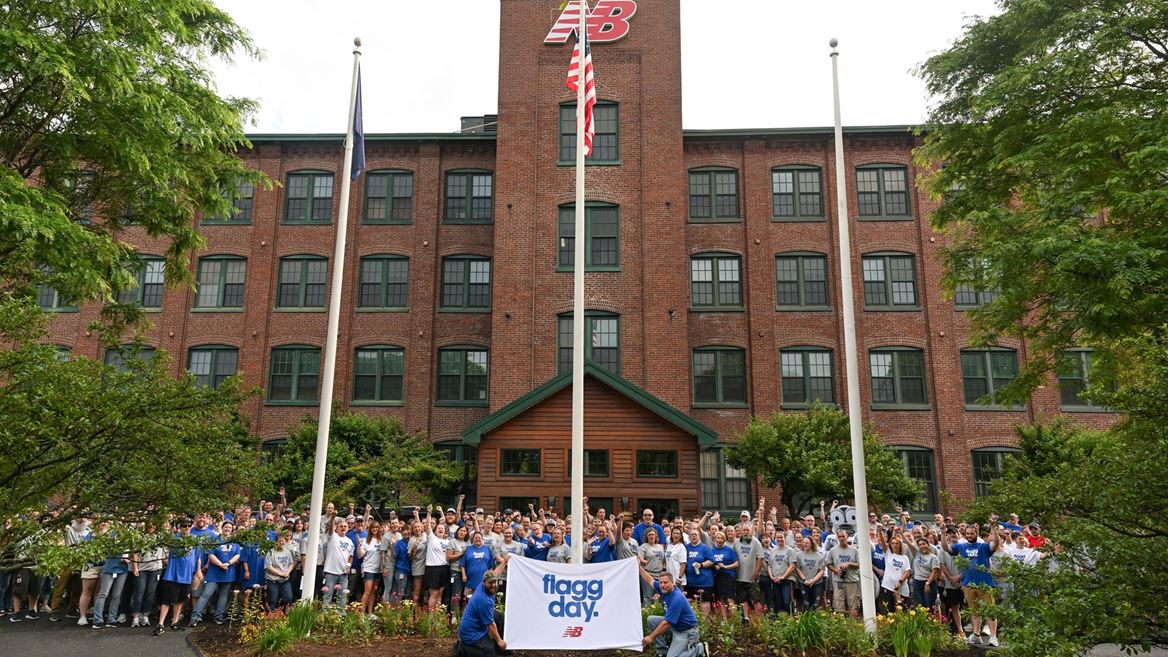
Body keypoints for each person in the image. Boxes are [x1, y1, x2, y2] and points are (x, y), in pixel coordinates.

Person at [943, 523, 1001, 646]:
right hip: (968, 584)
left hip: (985, 584)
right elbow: (946, 548)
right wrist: (943, 533)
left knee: (990, 611)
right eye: (967, 533)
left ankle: (993, 637)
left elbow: (995, 543)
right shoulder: (961, 546)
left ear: (977, 534)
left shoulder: (983, 547)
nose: (969, 535)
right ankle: (976, 635)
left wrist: (993, 528)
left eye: (972, 533)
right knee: (974, 611)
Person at [639, 568, 707, 657]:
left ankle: (700, 648)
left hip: (686, 631)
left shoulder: (677, 598)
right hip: (675, 626)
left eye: (665, 582)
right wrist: (638, 567)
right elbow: (649, 579)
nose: (662, 585)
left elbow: (666, 623)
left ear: (672, 583)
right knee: (651, 619)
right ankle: (663, 652)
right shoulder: (664, 589)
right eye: (660, 582)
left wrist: (651, 637)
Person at [190, 520, 245, 627]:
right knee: (206, 594)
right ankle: (195, 617)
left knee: (223, 595)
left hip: (228, 573)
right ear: (222, 528)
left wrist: (228, 563)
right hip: (214, 573)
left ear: (232, 529)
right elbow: (210, 554)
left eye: (230, 527)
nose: (228, 529)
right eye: (226, 527)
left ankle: (219, 616)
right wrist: (220, 564)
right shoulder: (215, 540)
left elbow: (237, 555)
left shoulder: (234, 542)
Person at [155, 518, 200, 636]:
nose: (186, 528)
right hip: (173, 575)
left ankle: (174, 622)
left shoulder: (194, 540)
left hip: (187, 575)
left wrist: (198, 571)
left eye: (189, 526)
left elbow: (197, 556)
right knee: (167, 600)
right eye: (184, 526)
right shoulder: (175, 539)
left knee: (180, 600)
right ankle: (160, 624)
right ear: (180, 527)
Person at [457, 571, 506, 657]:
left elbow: (496, 572)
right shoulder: (483, 600)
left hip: (477, 618)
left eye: (495, 581)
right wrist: (499, 640)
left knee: (500, 617)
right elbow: (490, 624)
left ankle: (501, 650)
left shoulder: (484, 586)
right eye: (490, 582)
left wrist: (504, 562)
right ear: (484, 583)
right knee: (489, 651)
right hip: (471, 634)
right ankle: (464, 648)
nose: (494, 585)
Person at [129, 523, 165, 628]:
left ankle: (145, 615)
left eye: (154, 525)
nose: (151, 527)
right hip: (142, 569)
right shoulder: (140, 537)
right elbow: (136, 553)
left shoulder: (160, 538)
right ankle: (136, 616)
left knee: (150, 593)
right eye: (149, 525)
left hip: (155, 569)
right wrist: (135, 567)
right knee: (139, 592)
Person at [322, 510, 355, 609]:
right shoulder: (333, 537)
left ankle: (341, 615)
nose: (343, 528)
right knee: (328, 595)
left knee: (342, 597)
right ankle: (326, 616)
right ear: (337, 528)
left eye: (345, 526)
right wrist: (332, 517)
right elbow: (331, 528)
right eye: (341, 526)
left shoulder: (350, 542)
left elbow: (351, 556)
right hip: (331, 571)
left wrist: (348, 567)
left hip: (343, 573)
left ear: (348, 528)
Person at [826, 530, 860, 617]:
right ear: (837, 538)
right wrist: (835, 570)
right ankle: (840, 625)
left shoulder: (854, 550)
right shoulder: (833, 550)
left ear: (847, 537)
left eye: (843, 536)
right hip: (838, 581)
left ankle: (853, 625)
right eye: (839, 537)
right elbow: (828, 564)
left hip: (851, 580)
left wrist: (848, 564)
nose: (841, 538)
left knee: (853, 605)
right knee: (838, 605)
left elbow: (859, 565)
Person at [683, 529, 714, 612]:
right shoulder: (686, 548)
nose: (693, 536)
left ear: (699, 536)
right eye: (692, 534)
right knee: (692, 602)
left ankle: (704, 623)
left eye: (695, 534)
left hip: (704, 582)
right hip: (690, 582)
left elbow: (712, 561)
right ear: (689, 537)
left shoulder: (705, 548)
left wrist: (701, 565)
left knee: (704, 602)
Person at [265, 531, 296, 611]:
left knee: (289, 598)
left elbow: (291, 563)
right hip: (273, 581)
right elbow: (268, 567)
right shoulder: (271, 552)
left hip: (285, 580)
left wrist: (288, 572)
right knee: (273, 600)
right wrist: (280, 573)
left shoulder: (287, 551)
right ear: (276, 542)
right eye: (279, 541)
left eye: (283, 541)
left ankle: (284, 615)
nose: (281, 542)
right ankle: (271, 617)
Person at [907, 536, 940, 610]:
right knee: (919, 606)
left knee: (928, 607)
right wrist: (901, 533)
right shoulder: (917, 554)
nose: (922, 546)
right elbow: (908, 544)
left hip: (929, 583)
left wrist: (927, 583)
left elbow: (935, 572)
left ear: (928, 545)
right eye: (920, 545)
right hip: (917, 582)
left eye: (924, 544)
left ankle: (930, 621)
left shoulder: (933, 557)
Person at [358, 517, 383, 614]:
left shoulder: (381, 540)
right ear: (370, 529)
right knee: (367, 591)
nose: (375, 529)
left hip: (378, 569)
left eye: (377, 527)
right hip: (368, 568)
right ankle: (361, 613)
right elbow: (360, 555)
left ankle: (370, 613)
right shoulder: (366, 541)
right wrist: (359, 547)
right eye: (373, 527)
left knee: (374, 591)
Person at [708, 531, 738, 608]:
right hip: (717, 576)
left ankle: (734, 618)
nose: (719, 540)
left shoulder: (729, 550)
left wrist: (725, 566)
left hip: (728, 576)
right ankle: (724, 619)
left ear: (724, 540)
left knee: (729, 598)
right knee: (721, 599)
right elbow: (711, 562)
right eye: (718, 538)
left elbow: (736, 564)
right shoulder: (712, 550)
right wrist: (714, 565)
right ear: (715, 539)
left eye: (721, 538)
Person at [638, 528, 667, 604]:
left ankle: (656, 614)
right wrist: (642, 560)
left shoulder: (660, 547)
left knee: (657, 597)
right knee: (648, 597)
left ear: (656, 536)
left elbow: (664, 560)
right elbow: (640, 559)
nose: (651, 536)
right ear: (646, 536)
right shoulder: (643, 547)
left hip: (659, 575)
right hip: (648, 575)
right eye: (649, 535)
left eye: (653, 534)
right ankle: (647, 615)